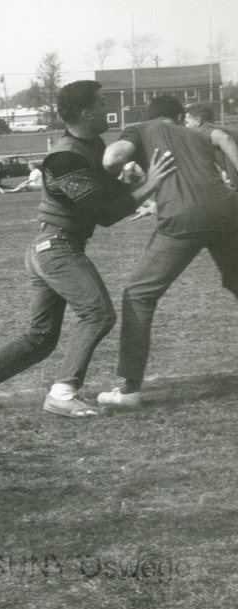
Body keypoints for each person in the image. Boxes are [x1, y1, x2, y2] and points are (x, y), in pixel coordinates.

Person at [0, 81, 175, 418]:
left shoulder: (91, 144)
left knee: (41, 337)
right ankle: (62, 393)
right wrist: (150, 183)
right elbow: (106, 213)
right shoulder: (64, 156)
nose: (106, 107)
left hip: (51, 246)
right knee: (98, 314)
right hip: (56, 247)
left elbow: (107, 196)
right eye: (100, 102)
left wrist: (129, 183)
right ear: (85, 112)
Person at [97, 95, 238, 408]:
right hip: (229, 212)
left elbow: (110, 158)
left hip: (184, 218)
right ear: (178, 116)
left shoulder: (143, 129)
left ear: (152, 116)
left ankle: (130, 388)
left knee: (138, 294)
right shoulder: (197, 134)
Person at [184, 103, 238, 192]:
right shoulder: (225, 128)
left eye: (187, 122)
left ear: (198, 121)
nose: (186, 126)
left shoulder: (202, 131)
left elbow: (225, 139)